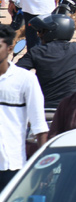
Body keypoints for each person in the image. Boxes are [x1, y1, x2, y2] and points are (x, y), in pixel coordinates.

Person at [0, 25, 45, 191]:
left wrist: (42, 169)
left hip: (12, 166)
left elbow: (39, 126)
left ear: (10, 49)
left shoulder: (25, 80)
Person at [18, 14, 76, 110]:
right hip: (75, 109)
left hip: (44, 109)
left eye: (42, 32)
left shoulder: (37, 52)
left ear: (52, 32)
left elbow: (15, 73)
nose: (39, 35)